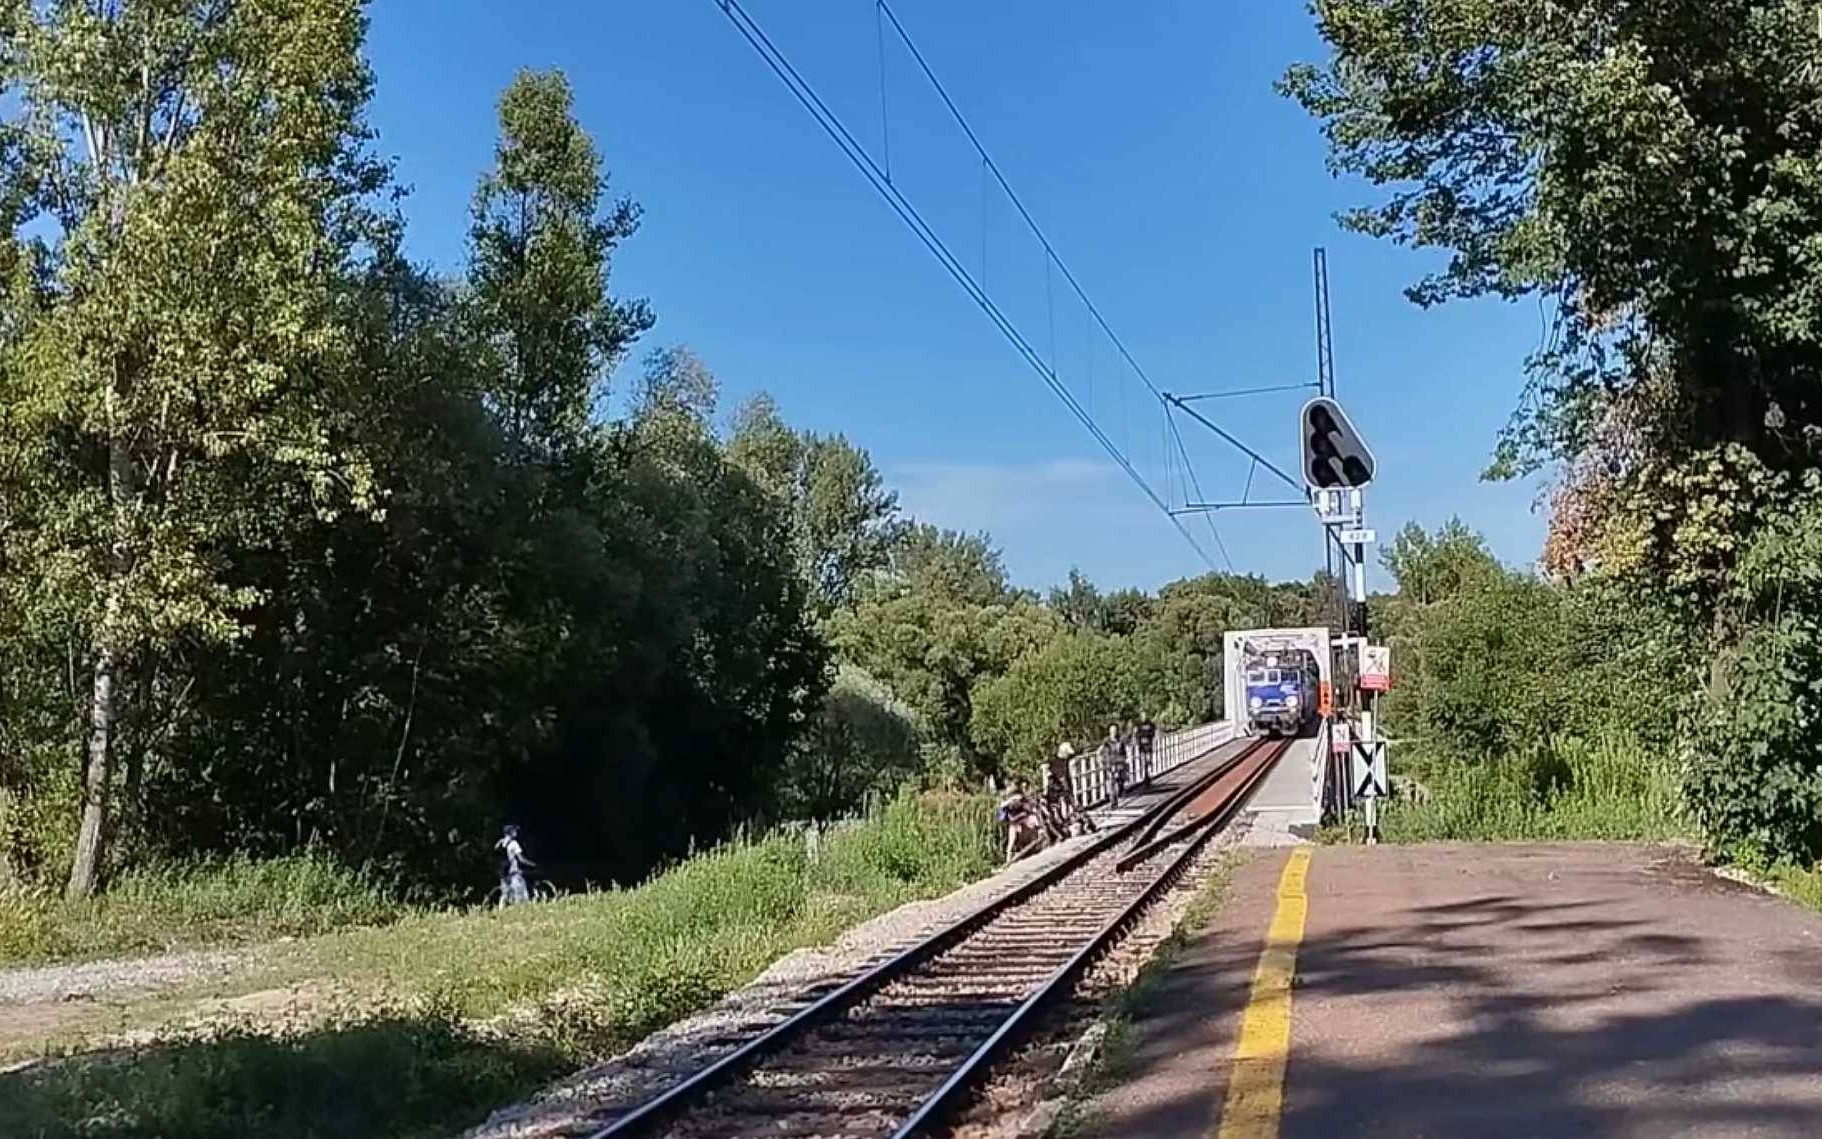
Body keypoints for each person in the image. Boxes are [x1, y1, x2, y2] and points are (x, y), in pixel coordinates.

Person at [1044, 742, 1094, 836]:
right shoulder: (1057, 764)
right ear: (1064, 752)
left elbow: (1073, 754)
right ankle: (1083, 826)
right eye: (1067, 753)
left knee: (1072, 808)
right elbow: (1061, 779)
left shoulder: (1061, 760)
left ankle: (1082, 826)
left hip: (1062, 789)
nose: (1068, 756)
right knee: (1070, 809)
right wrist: (1068, 792)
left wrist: (1084, 749)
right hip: (1058, 792)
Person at [997, 780, 1044, 863]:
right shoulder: (1010, 802)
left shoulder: (1022, 800)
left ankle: (1034, 841)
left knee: (1031, 820)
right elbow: (1003, 809)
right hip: (1015, 822)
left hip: (1021, 821)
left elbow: (1031, 810)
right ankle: (1009, 858)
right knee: (1012, 838)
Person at [496, 824, 535, 907]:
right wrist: (532, 864)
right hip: (514, 873)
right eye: (514, 830)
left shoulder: (500, 843)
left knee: (504, 895)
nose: (516, 832)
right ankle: (519, 912)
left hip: (504, 874)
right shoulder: (514, 843)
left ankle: (500, 912)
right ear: (510, 832)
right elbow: (521, 859)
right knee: (521, 895)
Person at [1101, 724, 1128, 808]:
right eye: (1112, 730)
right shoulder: (1106, 741)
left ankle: (1120, 790)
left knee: (1120, 781)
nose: (1113, 732)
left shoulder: (1120, 740)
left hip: (1119, 763)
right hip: (1110, 764)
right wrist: (1104, 761)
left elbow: (1124, 753)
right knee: (1112, 783)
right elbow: (1104, 752)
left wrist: (1123, 761)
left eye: (1115, 730)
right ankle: (1113, 801)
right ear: (1109, 731)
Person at [1135, 715, 1158, 783]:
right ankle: (1146, 775)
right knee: (1143, 761)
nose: (1144, 718)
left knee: (1148, 760)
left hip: (1148, 745)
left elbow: (1153, 733)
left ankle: (1148, 773)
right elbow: (1137, 734)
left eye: (1145, 716)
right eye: (1142, 716)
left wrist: (1148, 737)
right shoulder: (1138, 725)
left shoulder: (1150, 724)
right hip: (1142, 746)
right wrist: (1139, 740)